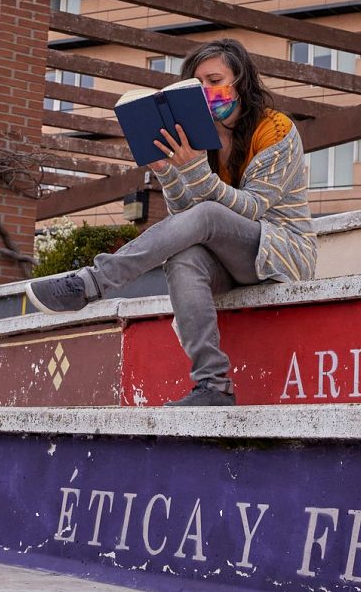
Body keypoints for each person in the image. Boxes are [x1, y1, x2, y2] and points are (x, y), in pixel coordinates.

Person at [23, 38, 317, 406]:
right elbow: (186, 218)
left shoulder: (275, 130)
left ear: (241, 81)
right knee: (183, 257)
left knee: (208, 215)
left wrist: (195, 171)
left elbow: (252, 208)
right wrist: (167, 173)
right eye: (200, 85)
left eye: (215, 80)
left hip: (282, 252)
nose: (208, 91)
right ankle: (213, 386)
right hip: (231, 258)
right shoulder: (199, 136)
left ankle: (92, 282)